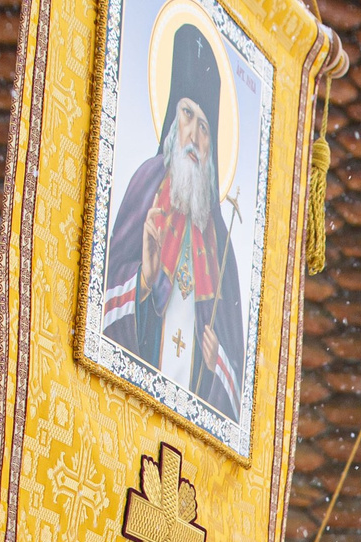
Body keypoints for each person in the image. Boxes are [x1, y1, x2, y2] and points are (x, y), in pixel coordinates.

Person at [100, 18, 249, 420]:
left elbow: (234, 381)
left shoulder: (220, 236)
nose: (195, 136)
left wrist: (215, 363)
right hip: (129, 413)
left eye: (204, 126)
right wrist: (143, 281)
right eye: (187, 114)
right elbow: (99, 307)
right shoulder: (147, 185)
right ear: (171, 120)